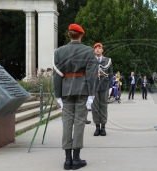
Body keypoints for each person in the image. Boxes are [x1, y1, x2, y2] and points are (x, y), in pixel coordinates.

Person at [53, 24, 95, 170]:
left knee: (67, 123)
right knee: (79, 123)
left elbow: (57, 75)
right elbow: (91, 75)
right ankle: (76, 159)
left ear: (69, 35)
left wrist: (58, 95)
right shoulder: (89, 51)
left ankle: (67, 160)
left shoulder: (59, 52)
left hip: (65, 91)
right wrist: (92, 94)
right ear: (81, 35)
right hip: (83, 90)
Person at [91, 42, 113, 136]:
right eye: (96, 48)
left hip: (104, 87)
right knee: (95, 108)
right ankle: (97, 127)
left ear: (102, 50)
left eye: (99, 48)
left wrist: (110, 87)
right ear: (94, 50)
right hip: (93, 87)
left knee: (103, 107)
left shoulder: (107, 60)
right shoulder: (90, 60)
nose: (97, 49)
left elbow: (111, 74)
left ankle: (103, 127)